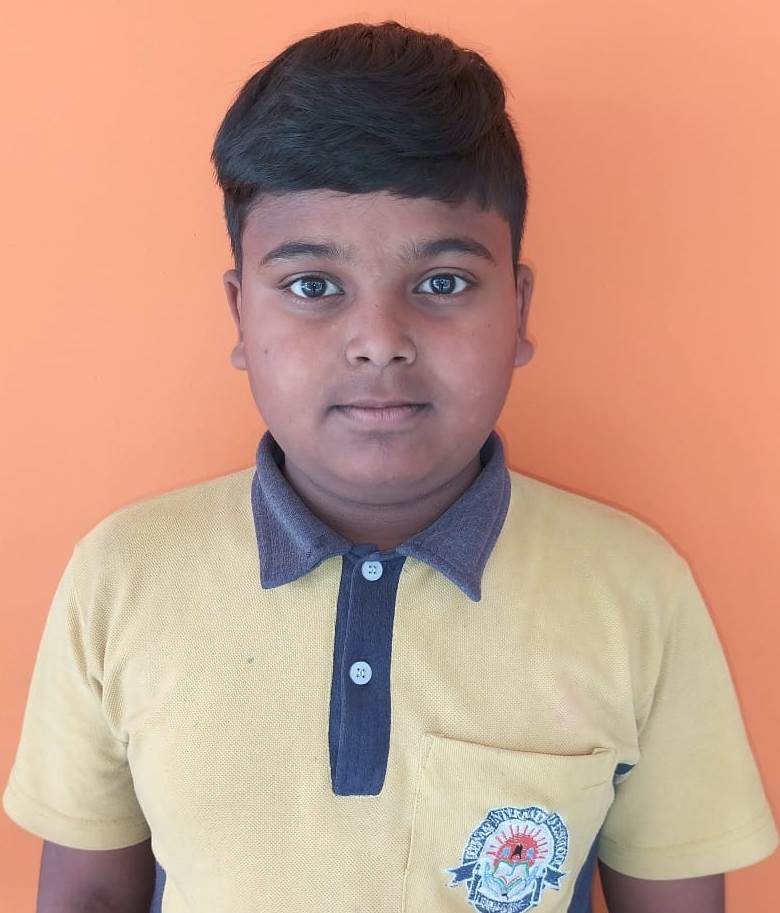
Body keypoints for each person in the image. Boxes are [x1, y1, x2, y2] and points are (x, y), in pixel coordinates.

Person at [3, 20, 777, 913]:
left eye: (443, 282)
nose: (379, 341)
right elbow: (90, 893)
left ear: (519, 309)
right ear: (240, 315)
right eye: (313, 285)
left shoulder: (636, 592)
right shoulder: (123, 576)